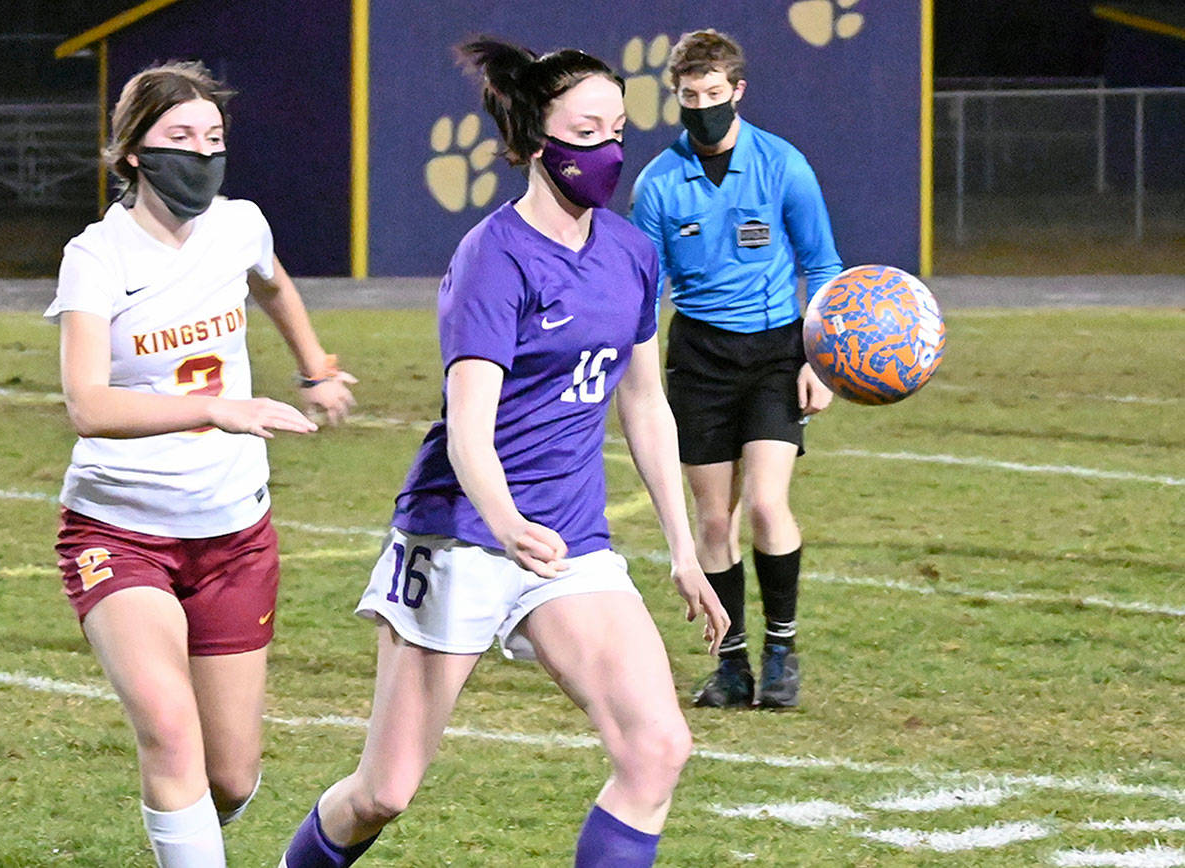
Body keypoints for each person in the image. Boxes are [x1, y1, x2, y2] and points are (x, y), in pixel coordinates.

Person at [279, 39, 728, 868]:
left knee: (657, 748)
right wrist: (507, 521)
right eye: (586, 132)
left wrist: (680, 547)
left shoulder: (632, 253)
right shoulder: (493, 258)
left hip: (568, 543)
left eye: (617, 131)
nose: (608, 152)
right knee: (384, 792)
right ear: (534, 142)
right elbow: (467, 430)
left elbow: (643, 401)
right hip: (463, 536)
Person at [46, 61, 356, 867]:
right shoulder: (97, 256)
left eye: (214, 139)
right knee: (170, 733)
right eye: (181, 138)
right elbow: (88, 404)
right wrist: (218, 408)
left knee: (228, 776)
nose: (203, 155)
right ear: (134, 152)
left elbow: (274, 285)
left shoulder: (239, 223)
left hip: (234, 538)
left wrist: (316, 367)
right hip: (121, 533)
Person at [630, 29, 843, 709]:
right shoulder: (658, 184)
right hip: (700, 357)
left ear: (738, 91)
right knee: (712, 522)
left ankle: (782, 654)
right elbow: (643, 292)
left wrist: (822, 359)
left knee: (766, 503)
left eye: (714, 95)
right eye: (690, 97)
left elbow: (824, 266)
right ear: (675, 98)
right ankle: (731, 664)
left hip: (778, 351)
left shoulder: (784, 166)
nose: (702, 108)